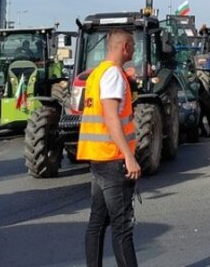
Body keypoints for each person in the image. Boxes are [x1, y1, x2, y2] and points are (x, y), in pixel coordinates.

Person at [79, 29, 142, 267]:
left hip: (97, 157)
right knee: (122, 226)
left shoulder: (97, 74)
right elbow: (111, 117)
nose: (134, 51)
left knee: (97, 221)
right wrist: (129, 156)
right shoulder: (114, 75)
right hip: (113, 159)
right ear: (124, 46)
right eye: (133, 46)